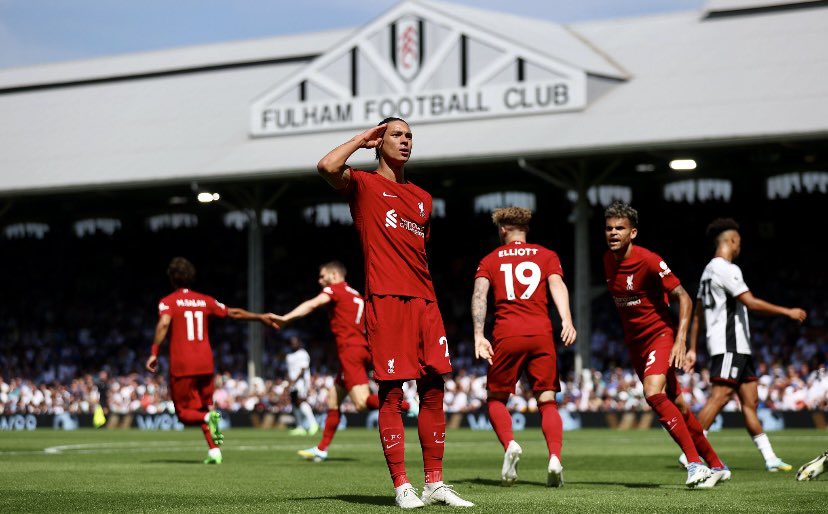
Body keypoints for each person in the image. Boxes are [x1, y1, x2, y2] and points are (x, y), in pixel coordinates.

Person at [316, 117, 473, 508]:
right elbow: (327, 167)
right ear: (378, 142)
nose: (405, 142)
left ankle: (434, 482)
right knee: (392, 392)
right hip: (386, 300)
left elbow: (418, 253)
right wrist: (360, 139)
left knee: (435, 387)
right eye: (396, 135)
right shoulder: (364, 185)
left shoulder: (423, 198)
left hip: (425, 300)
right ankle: (402, 484)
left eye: (409, 136)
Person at [602, 201, 727, 489]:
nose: (613, 233)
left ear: (633, 232)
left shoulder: (649, 260)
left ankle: (695, 464)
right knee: (679, 407)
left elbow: (684, 296)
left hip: (660, 335)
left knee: (652, 393)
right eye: (608, 228)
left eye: (619, 228)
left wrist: (679, 339)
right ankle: (717, 466)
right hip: (635, 345)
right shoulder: (607, 260)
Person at [682, 218, 807, 472]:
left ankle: (770, 458)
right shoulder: (727, 269)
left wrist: (693, 347)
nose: (740, 247)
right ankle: (690, 453)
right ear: (731, 241)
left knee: (750, 401)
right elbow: (750, 302)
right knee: (720, 396)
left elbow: (697, 315)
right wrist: (787, 312)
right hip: (730, 345)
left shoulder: (707, 271)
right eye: (738, 241)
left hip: (739, 346)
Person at [266, 261, 416, 462]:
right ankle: (322, 448)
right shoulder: (357, 295)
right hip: (361, 348)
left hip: (350, 351)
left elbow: (312, 304)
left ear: (334, 275)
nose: (320, 281)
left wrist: (287, 318)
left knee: (362, 403)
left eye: (322, 276)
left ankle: (408, 405)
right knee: (333, 399)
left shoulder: (334, 290)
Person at [472, 206, 576, 487]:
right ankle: (555, 457)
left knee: (495, 399)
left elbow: (480, 295)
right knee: (547, 400)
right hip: (541, 332)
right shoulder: (546, 255)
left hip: (508, 333)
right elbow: (557, 285)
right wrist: (566, 319)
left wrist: (479, 334)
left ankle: (510, 445)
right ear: (526, 229)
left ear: (503, 229)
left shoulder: (490, 260)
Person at [145, 256, 271, 464]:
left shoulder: (168, 302)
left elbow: (164, 324)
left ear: (172, 279)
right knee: (204, 407)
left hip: (183, 365)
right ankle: (214, 451)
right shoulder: (205, 300)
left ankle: (206, 421)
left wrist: (154, 352)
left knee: (184, 414)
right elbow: (233, 313)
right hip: (205, 364)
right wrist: (259, 317)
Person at [284, 335, 319, 436]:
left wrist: (293, 382)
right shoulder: (289, 356)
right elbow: (289, 371)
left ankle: (313, 424)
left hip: (301, 383)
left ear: (299, 343)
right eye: (291, 342)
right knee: (294, 403)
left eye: (295, 342)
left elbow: (303, 370)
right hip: (292, 383)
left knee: (300, 402)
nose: (293, 344)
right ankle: (300, 427)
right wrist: (287, 382)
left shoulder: (303, 354)